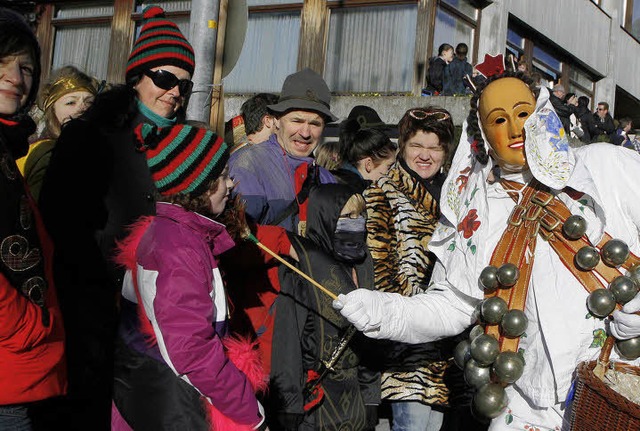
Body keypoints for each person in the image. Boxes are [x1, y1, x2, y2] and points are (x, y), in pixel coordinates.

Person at [334, 55, 640, 430]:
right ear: (481, 134)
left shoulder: (606, 167)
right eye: (498, 119)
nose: (514, 128)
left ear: (542, 112)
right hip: (528, 405)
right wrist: (386, 312)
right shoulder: (475, 208)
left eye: (523, 112)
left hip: (620, 388)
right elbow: (452, 306)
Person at [38, 6, 195, 429]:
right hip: (94, 323)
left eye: (185, 84)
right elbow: (60, 228)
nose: (174, 92)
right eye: (164, 78)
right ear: (136, 77)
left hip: (161, 327)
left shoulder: (184, 146)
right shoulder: (90, 136)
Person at [111, 123, 265, 430]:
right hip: (174, 405)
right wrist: (250, 413)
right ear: (201, 186)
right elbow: (191, 350)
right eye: (223, 176)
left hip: (149, 395)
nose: (231, 184)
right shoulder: (180, 249)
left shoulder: (171, 233)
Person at [364, 106, 465, 431]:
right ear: (402, 146)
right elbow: (379, 269)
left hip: (450, 346)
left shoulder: (456, 196)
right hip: (409, 346)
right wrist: (407, 320)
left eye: (435, 147)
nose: (426, 155)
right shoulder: (384, 192)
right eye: (417, 145)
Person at [0, 7, 66, 429]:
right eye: (1, 64)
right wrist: (19, 325)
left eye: (25, 67)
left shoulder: (7, 147)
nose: (15, 78)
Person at [271, 184, 380, 431]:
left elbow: (371, 337)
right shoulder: (301, 269)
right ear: (326, 217)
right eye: (347, 217)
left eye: (360, 215)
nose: (357, 223)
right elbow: (288, 341)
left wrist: (371, 395)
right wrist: (290, 404)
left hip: (355, 400)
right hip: (316, 399)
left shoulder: (363, 263)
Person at [20, 65, 99, 201]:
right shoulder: (46, 154)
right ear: (52, 111)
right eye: (70, 102)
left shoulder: (94, 152)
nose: (82, 108)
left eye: (89, 102)